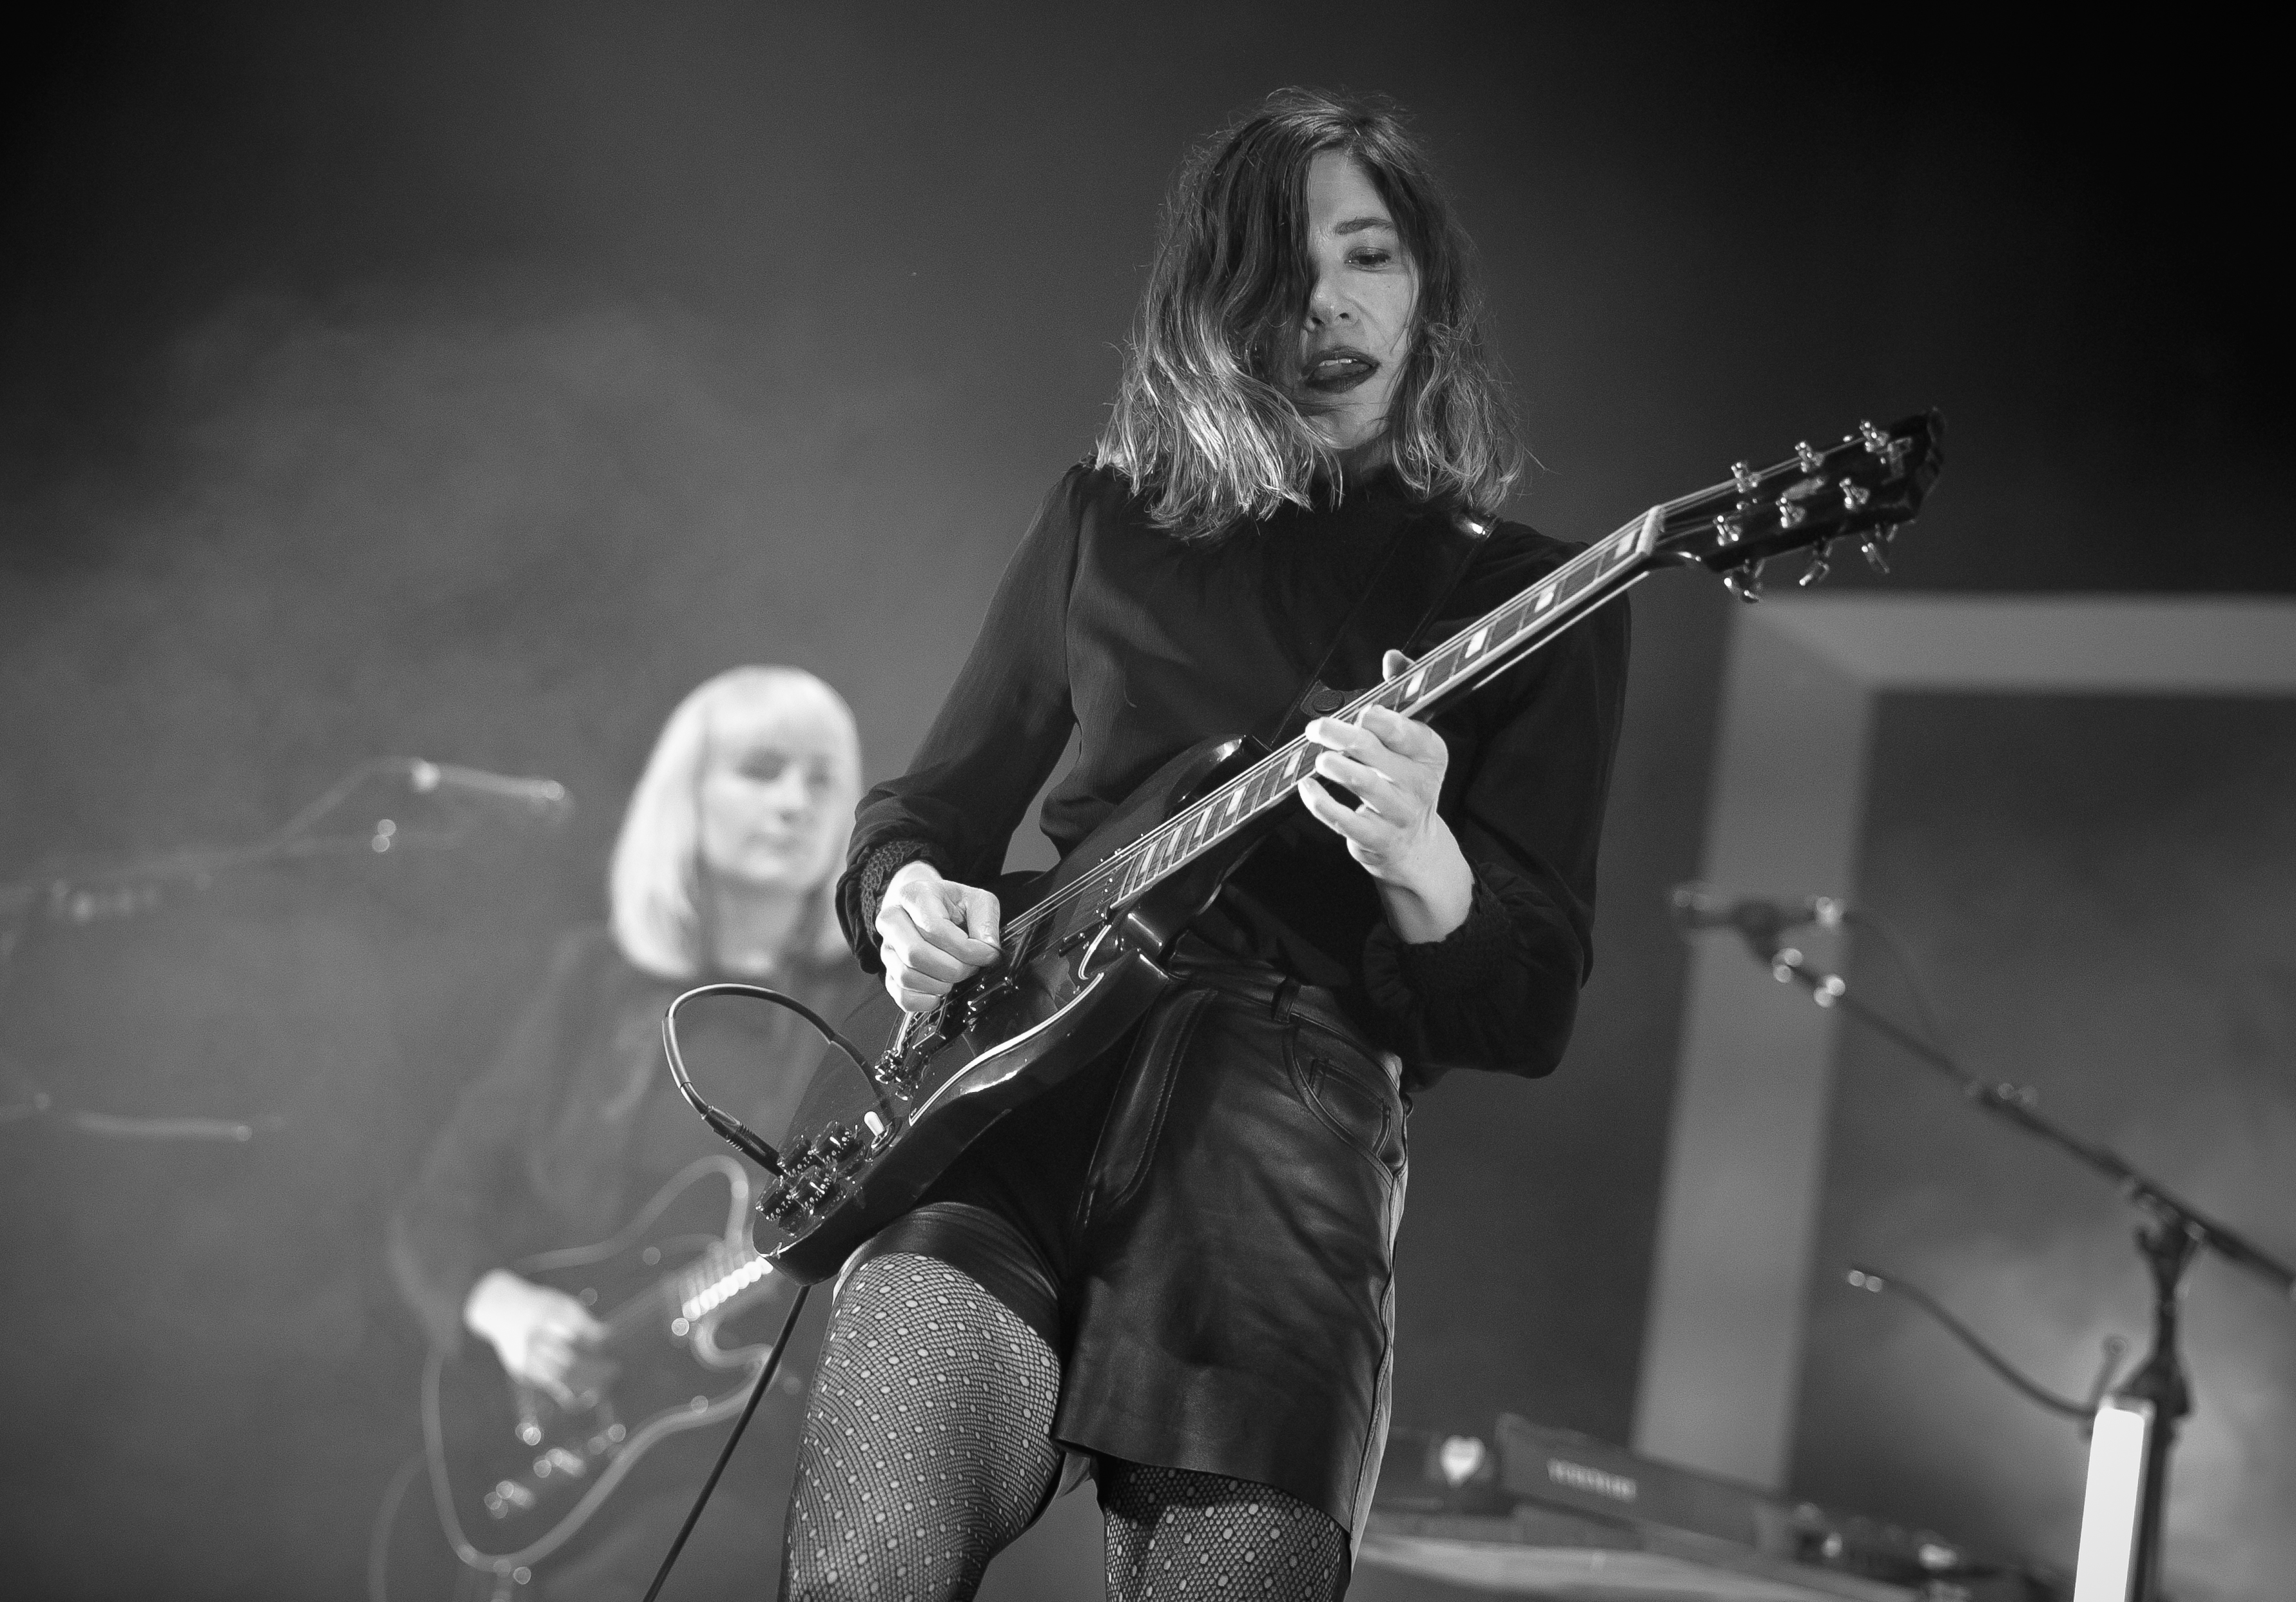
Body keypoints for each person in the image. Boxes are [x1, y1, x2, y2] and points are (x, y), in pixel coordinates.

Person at [780, 89, 1630, 1601]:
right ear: (1215, 299)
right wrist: (902, 897)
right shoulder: (1102, 523)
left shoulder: (1534, 604)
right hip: (1013, 1084)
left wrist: (1425, 858)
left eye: (1368, 254)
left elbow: (1528, 1001)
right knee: (865, 1575)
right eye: (1285, 267)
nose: (1331, 303)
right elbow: (931, 808)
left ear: (1422, 281)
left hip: (1281, 1137)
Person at [388, 665, 877, 1599]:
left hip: (756, 1457)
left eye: (822, 779)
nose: (796, 802)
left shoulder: (863, 1005)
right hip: (573, 1454)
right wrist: (503, 1309)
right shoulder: (590, 984)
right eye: (763, 770)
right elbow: (434, 1207)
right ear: (684, 797)